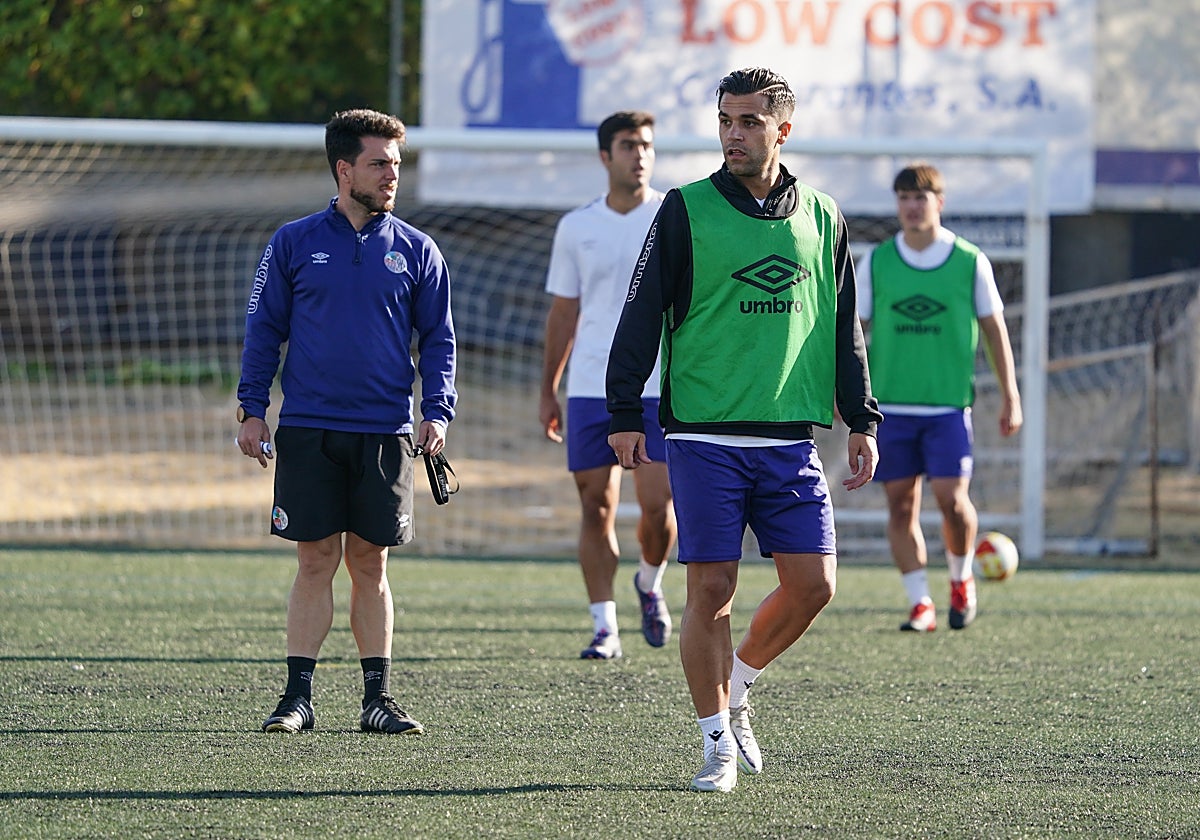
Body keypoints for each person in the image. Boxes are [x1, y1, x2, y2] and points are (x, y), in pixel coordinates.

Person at [606, 68, 881, 793]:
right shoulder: (684, 210)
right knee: (712, 592)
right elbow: (638, 316)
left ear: (782, 130)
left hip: (790, 438)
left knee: (815, 585)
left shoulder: (823, 214)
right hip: (703, 436)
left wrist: (862, 418)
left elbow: (843, 326)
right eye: (726, 119)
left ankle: (739, 684)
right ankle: (715, 745)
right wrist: (623, 412)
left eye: (750, 121)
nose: (734, 133)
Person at [235, 108, 457, 736]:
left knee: (370, 563)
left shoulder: (419, 250)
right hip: (308, 427)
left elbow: (440, 340)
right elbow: (264, 331)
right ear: (344, 169)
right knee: (313, 561)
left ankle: (376, 699)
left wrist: (436, 412)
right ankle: (296, 699)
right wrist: (253, 409)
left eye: (396, 163)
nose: (392, 175)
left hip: (385, 433)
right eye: (379, 163)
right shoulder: (293, 242)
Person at [855, 162, 1021, 633]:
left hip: (948, 407)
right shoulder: (879, 261)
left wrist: (1012, 395)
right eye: (904, 197)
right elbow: (856, 333)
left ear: (939, 203)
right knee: (901, 507)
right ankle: (919, 603)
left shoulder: (969, 260)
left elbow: (994, 329)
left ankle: (961, 578)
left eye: (921, 197)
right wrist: (847, 394)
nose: (911, 206)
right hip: (891, 409)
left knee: (952, 500)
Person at [540, 111, 677, 661]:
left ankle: (649, 581)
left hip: (659, 387)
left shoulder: (675, 216)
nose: (639, 154)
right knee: (595, 504)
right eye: (627, 145)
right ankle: (604, 626)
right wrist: (548, 388)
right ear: (605, 156)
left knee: (658, 508)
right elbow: (564, 312)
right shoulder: (577, 227)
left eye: (646, 144)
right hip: (591, 386)